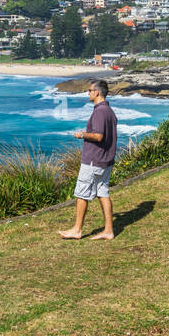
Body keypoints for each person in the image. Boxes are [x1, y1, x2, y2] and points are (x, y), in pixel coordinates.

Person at [58, 79, 118, 240]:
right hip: (106, 160)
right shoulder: (109, 111)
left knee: (82, 194)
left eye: (90, 90)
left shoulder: (99, 111)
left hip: (94, 160)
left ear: (97, 92)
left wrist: (82, 134)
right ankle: (108, 230)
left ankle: (77, 230)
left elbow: (98, 136)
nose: (88, 93)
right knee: (103, 193)